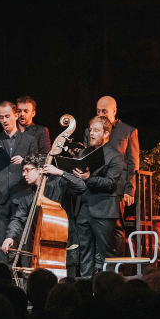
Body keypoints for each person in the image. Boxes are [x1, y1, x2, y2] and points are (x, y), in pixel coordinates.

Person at [49, 116, 125, 277]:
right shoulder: (84, 152)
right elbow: (73, 173)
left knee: (107, 254)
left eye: (96, 131)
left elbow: (110, 183)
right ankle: (85, 289)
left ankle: (109, 289)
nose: (91, 134)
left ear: (106, 133)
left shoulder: (115, 156)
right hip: (83, 209)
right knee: (85, 253)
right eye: (90, 130)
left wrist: (88, 178)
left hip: (103, 210)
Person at [0, 101, 39, 264]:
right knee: (1, 244)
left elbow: (37, 168)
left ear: (15, 115)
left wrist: (25, 160)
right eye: (1, 117)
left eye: (7, 116)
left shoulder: (29, 140)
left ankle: (27, 282)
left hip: (22, 196)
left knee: (24, 243)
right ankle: (5, 283)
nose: (4, 120)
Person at [83, 96, 139, 256]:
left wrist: (130, 189)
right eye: (98, 111)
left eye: (104, 111)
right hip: (96, 185)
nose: (101, 114)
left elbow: (132, 163)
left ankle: (118, 264)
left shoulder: (128, 131)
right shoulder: (91, 130)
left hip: (118, 186)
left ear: (114, 111)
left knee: (117, 227)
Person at [0, 154, 70, 261]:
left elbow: (81, 186)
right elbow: (18, 218)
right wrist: (10, 237)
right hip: (42, 244)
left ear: (40, 170)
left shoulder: (58, 183)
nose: (24, 174)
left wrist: (61, 172)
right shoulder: (29, 194)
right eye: (23, 171)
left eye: (27, 170)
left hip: (64, 241)